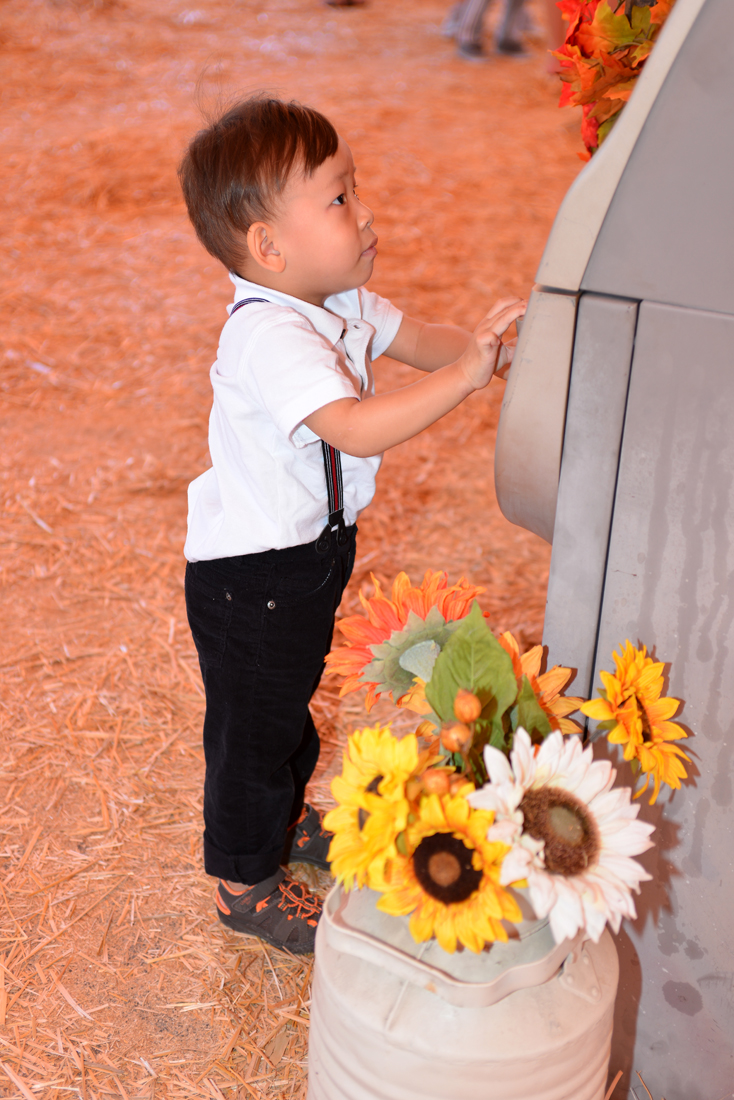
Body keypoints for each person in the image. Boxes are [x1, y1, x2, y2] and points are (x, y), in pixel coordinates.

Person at [178, 96, 525, 955]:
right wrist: (467, 381)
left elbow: (429, 340)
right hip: (251, 577)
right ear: (269, 247)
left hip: (309, 557)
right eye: (338, 199)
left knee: (287, 709)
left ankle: (285, 823)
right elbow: (356, 426)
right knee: (253, 730)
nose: (365, 213)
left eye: (354, 187)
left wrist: (493, 349)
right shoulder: (269, 337)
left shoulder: (341, 299)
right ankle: (241, 882)